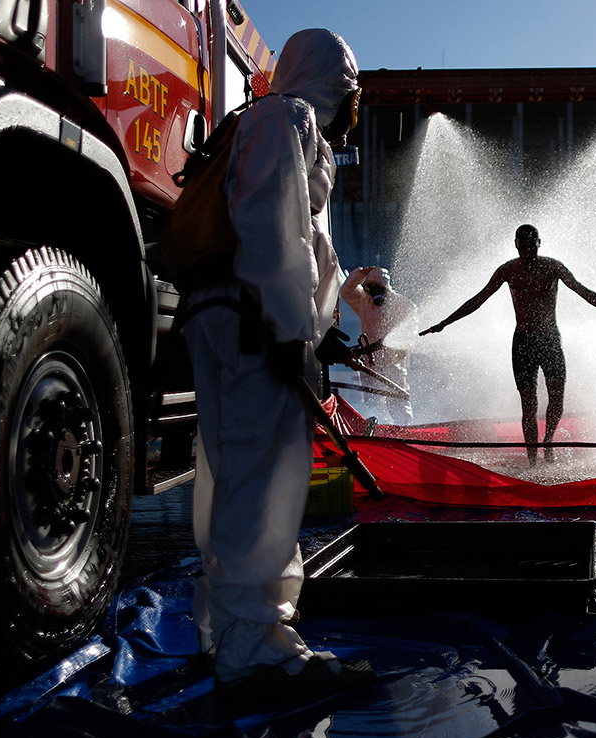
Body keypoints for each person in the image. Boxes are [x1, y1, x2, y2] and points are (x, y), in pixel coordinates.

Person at [183, 28, 373, 700]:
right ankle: (257, 647)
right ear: (335, 84)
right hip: (254, 324)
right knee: (263, 482)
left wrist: (326, 331)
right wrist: (295, 331)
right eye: (353, 92)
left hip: (238, 318)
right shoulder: (286, 118)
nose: (356, 108)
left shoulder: (281, 126)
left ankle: (233, 633)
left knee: (237, 474)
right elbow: (270, 231)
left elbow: (308, 245)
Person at [420, 224, 596, 465]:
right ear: (516, 245)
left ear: (539, 243)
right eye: (523, 246)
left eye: (532, 245)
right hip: (524, 341)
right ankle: (532, 460)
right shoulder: (508, 270)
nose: (528, 250)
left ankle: (548, 442)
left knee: (556, 399)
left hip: (549, 339)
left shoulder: (552, 267)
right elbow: (478, 299)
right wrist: (445, 322)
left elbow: (584, 292)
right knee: (529, 405)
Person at [340, 265, 419, 425]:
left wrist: (403, 346)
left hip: (392, 356)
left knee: (396, 392)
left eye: (378, 287)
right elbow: (346, 290)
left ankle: (403, 426)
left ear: (386, 286)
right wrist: (361, 273)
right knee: (371, 395)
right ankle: (376, 424)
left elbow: (411, 326)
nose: (374, 291)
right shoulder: (363, 300)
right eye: (370, 286)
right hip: (370, 357)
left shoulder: (401, 303)